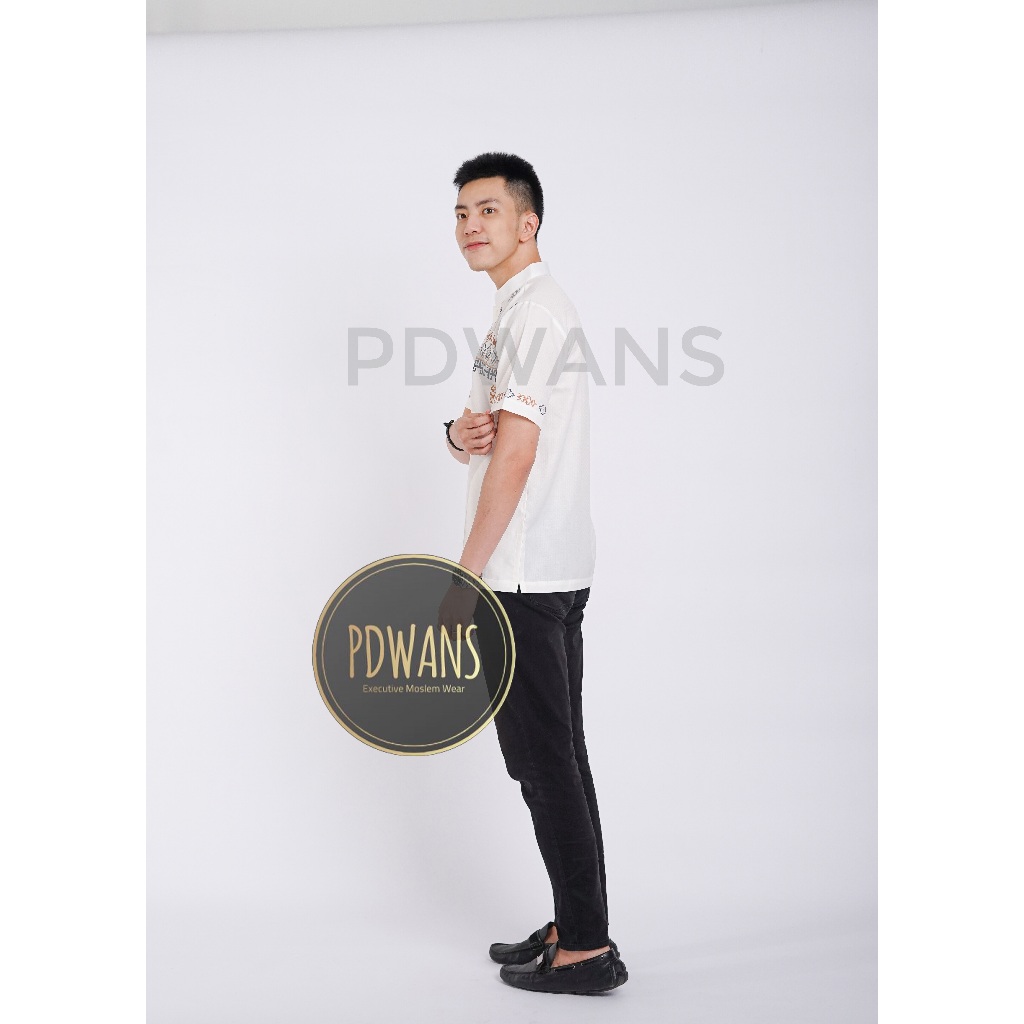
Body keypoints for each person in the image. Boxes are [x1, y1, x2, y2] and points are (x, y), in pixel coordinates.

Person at [437, 152, 628, 996]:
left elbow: (517, 457)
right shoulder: (515, 311)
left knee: (544, 765)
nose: (470, 225)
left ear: (528, 222)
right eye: (460, 213)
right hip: (544, 566)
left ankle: (586, 949)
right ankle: (576, 923)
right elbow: (491, 439)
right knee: (559, 758)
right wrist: (456, 434)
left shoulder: (536, 312)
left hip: (521, 577)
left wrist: (465, 576)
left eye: (488, 209)